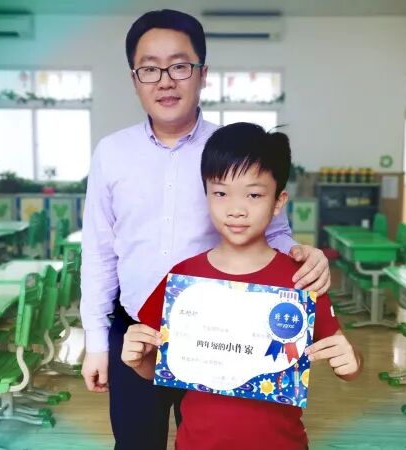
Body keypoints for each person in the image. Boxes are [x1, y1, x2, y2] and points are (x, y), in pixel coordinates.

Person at [80, 9, 332, 450]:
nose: (165, 81)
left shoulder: (230, 150)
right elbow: (100, 253)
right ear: (134, 78)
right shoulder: (111, 153)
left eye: (179, 66)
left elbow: (274, 235)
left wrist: (303, 257)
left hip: (220, 335)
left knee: (215, 440)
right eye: (149, 69)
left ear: (202, 73)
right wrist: (96, 343)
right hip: (138, 330)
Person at [122, 122, 363, 450]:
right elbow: (159, 368)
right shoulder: (183, 278)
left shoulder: (301, 279)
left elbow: (346, 363)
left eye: (253, 194)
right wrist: (139, 360)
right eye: (220, 193)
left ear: (278, 202)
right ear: (206, 196)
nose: (236, 210)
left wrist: (351, 362)